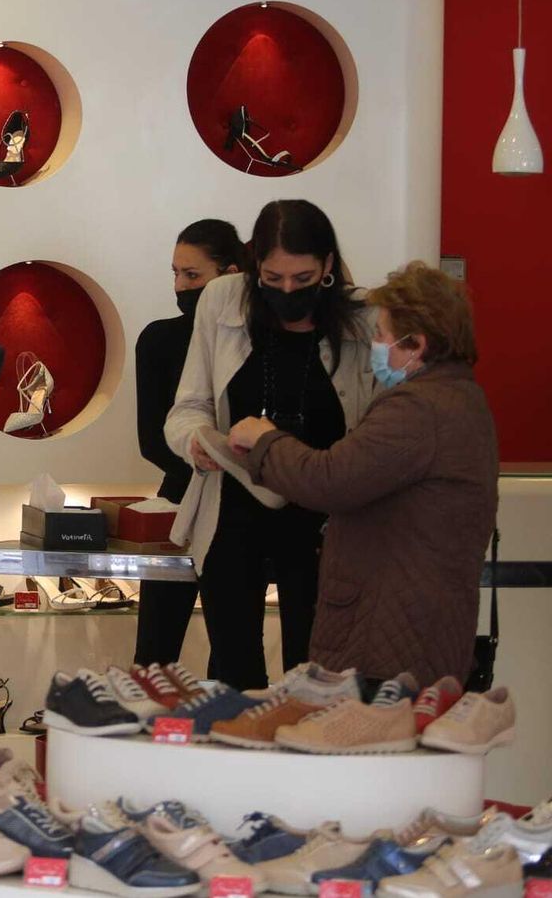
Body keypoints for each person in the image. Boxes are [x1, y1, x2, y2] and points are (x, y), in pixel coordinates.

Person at [228, 262, 498, 684]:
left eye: (382, 335)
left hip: (387, 642)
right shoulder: (460, 399)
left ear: (416, 345)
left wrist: (265, 441)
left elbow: (331, 480)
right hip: (419, 629)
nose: (374, 346)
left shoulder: (416, 410)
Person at [164, 199, 377, 691]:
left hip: (324, 520)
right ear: (254, 264)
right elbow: (188, 407)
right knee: (234, 676)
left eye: (303, 279)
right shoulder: (222, 300)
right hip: (232, 510)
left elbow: (375, 429)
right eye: (273, 277)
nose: (287, 291)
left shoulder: (361, 318)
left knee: (317, 678)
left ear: (327, 265)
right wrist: (195, 441)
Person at [133, 219, 246, 667]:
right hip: (179, 502)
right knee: (154, 655)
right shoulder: (160, 340)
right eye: (176, 273)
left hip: (237, 510)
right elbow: (152, 440)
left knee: (233, 653)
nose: (180, 286)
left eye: (192, 275)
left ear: (231, 275)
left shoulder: (253, 340)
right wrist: (206, 455)